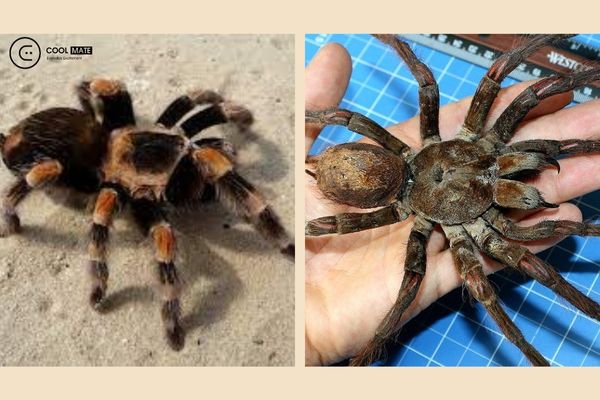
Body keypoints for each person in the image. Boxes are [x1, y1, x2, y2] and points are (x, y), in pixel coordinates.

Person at [304, 43, 600, 366]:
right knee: (514, 276)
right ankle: (536, 356)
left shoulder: (476, 146)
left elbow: (425, 80)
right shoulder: (462, 199)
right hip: (374, 174)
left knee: (500, 78)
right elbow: (411, 293)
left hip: (403, 164)